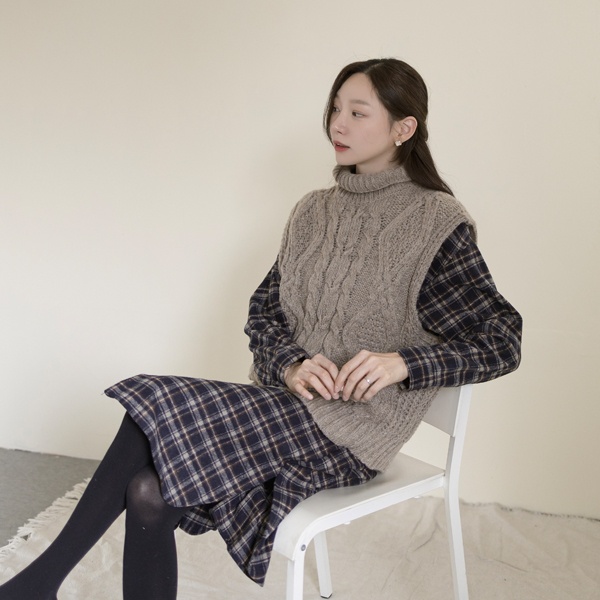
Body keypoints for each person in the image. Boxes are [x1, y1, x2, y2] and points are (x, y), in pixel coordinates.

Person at [0, 58, 522, 600]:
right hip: (283, 410)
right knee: (148, 491)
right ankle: (37, 587)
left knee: (148, 402)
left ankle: (36, 585)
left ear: (403, 127)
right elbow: (264, 312)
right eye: (335, 109)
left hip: (350, 436)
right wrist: (290, 365)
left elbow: (502, 338)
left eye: (357, 112)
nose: (337, 124)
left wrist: (404, 364)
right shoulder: (312, 212)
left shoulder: (435, 223)